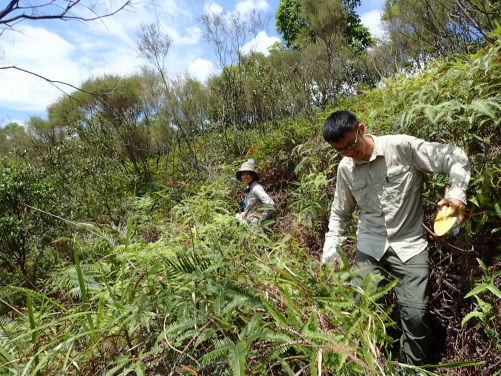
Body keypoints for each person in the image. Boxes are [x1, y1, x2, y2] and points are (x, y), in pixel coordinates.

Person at [321, 110, 470, 365]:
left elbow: (453, 156)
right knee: (362, 308)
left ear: (361, 129)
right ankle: (373, 363)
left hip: (409, 243)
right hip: (370, 243)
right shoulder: (345, 169)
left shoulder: (401, 147)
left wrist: (457, 193)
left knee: (416, 315)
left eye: (352, 144)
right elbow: (340, 212)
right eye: (341, 150)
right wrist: (331, 248)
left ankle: (411, 368)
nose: (350, 152)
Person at [235, 159, 275, 224]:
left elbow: (270, 204)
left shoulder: (256, 188)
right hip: (248, 223)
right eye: (243, 174)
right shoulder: (249, 188)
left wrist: (261, 218)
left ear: (253, 175)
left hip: (254, 226)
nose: (245, 177)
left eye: (248, 174)